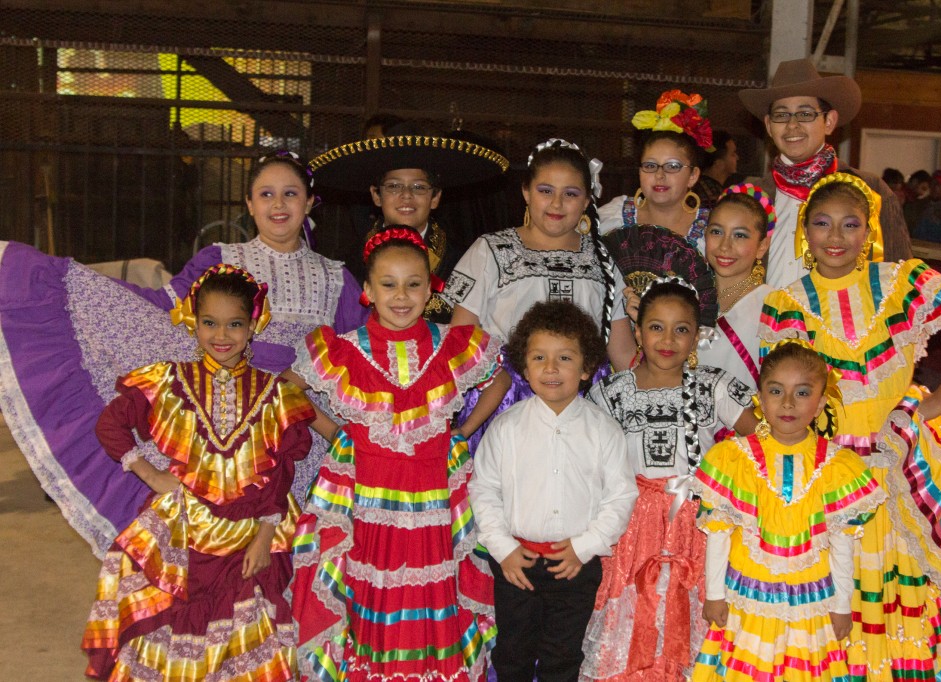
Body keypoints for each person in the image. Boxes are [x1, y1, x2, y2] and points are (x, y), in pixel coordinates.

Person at [0, 150, 366, 556]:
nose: (278, 205)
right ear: (248, 204)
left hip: (295, 428)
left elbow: (353, 358)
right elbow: (163, 309)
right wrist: (71, 283)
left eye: (290, 193)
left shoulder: (337, 277)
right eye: (265, 194)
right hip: (221, 420)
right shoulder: (220, 259)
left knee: (283, 543)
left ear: (310, 202)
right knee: (210, 541)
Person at [760, 172, 941, 679]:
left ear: (869, 231)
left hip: (898, 467)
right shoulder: (785, 304)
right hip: (827, 477)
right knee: (834, 599)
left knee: (901, 590)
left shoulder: (902, 283)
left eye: (850, 225)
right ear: (804, 232)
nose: (835, 238)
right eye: (823, 224)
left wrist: (940, 400)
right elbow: (781, 398)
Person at [284, 226, 511, 682]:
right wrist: (335, 432)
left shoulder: (454, 343)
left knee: (437, 589)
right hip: (367, 495)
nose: (401, 295)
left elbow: (500, 380)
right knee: (371, 591)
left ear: (431, 289)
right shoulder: (343, 349)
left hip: (435, 496)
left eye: (413, 283)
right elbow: (289, 387)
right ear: (368, 290)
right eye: (388, 284)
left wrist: (462, 430)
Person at [82, 265, 316, 680]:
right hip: (184, 532)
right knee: (174, 629)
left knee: (248, 636)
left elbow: (281, 471)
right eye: (209, 323)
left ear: (253, 325)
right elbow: (110, 425)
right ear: (193, 321)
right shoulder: (169, 380)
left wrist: (264, 537)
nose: (221, 335)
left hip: (252, 536)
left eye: (234, 324)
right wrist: (150, 474)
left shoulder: (277, 394)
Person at [581, 279, 756, 681]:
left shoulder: (713, 387)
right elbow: (586, 458)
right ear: (638, 330)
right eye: (656, 327)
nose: (668, 339)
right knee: (632, 608)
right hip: (629, 527)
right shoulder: (611, 393)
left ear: (698, 336)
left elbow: (762, 440)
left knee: (688, 607)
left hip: (695, 524)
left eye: (682, 329)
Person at [691, 341, 885, 681]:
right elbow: (718, 533)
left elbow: (843, 542)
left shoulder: (839, 466)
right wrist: (714, 596)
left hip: (810, 602)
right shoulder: (732, 458)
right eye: (776, 391)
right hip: (748, 601)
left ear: (821, 402)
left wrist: (841, 606)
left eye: (802, 393)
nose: (788, 403)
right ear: (761, 398)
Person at [469, 300, 638, 682]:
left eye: (564, 357)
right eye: (539, 357)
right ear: (524, 367)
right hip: (516, 563)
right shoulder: (507, 428)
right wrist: (503, 549)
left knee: (562, 657)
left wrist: (585, 546)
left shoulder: (603, 429)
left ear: (587, 368)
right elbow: (484, 490)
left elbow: (621, 496)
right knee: (513, 653)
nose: (551, 368)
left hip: (574, 565)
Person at [443, 138, 634, 448]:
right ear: (525, 192)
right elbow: (461, 342)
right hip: (503, 397)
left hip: (582, 400)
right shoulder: (490, 250)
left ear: (587, 201)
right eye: (546, 191)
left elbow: (622, 352)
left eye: (570, 194)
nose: (556, 204)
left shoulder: (604, 259)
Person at [737, 58, 912, 287]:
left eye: (806, 114)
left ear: (829, 121)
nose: (792, 125)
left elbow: (900, 273)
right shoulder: (752, 195)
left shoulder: (870, 190)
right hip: (765, 319)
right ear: (769, 126)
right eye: (782, 115)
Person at [310, 124, 509, 319]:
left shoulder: (464, 262)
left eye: (419, 187)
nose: (406, 196)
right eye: (394, 186)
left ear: (435, 197)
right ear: (376, 195)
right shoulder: (348, 266)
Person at [598, 89, 715, 248]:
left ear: (693, 175)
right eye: (650, 165)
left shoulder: (712, 232)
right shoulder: (613, 217)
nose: (660, 175)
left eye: (673, 166)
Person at [700, 184, 774, 388]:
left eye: (739, 235)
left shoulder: (775, 307)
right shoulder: (686, 298)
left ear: (762, 246)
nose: (725, 246)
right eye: (716, 232)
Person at [693, 130, 740, 210]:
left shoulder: (700, 186)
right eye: (733, 154)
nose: (737, 158)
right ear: (718, 163)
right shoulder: (712, 196)